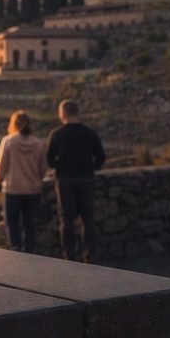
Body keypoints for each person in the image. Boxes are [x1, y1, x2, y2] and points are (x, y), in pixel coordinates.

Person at [46, 99, 106, 263]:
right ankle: (90, 256)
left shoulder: (57, 134)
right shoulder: (89, 133)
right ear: (78, 113)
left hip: (65, 180)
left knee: (67, 221)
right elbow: (100, 157)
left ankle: (69, 256)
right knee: (88, 219)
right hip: (86, 178)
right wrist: (92, 167)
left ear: (62, 115)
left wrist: (61, 166)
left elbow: (50, 160)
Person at [0, 110, 47, 253]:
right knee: (30, 225)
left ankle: (16, 252)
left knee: (12, 224)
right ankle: (30, 253)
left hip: (12, 190)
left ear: (13, 124)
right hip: (33, 190)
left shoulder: (9, 141)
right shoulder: (38, 144)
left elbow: (1, 166)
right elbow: (42, 169)